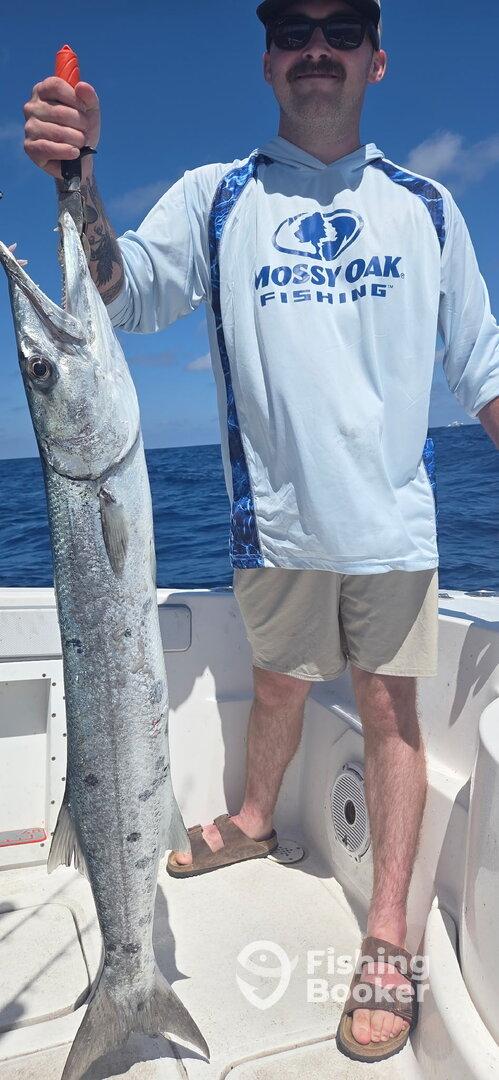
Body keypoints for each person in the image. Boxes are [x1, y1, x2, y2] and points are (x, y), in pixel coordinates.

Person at [23, 0, 499, 1063]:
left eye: (340, 29)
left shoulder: (424, 207)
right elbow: (122, 294)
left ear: (376, 58)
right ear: (269, 60)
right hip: (267, 519)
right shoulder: (217, 197)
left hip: (390, 526)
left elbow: (483, 364)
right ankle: (251, 819)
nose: (315, 47)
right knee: (277, 676)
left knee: (389, 712)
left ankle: (386, 936)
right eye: (291, 31)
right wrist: (80, 179)